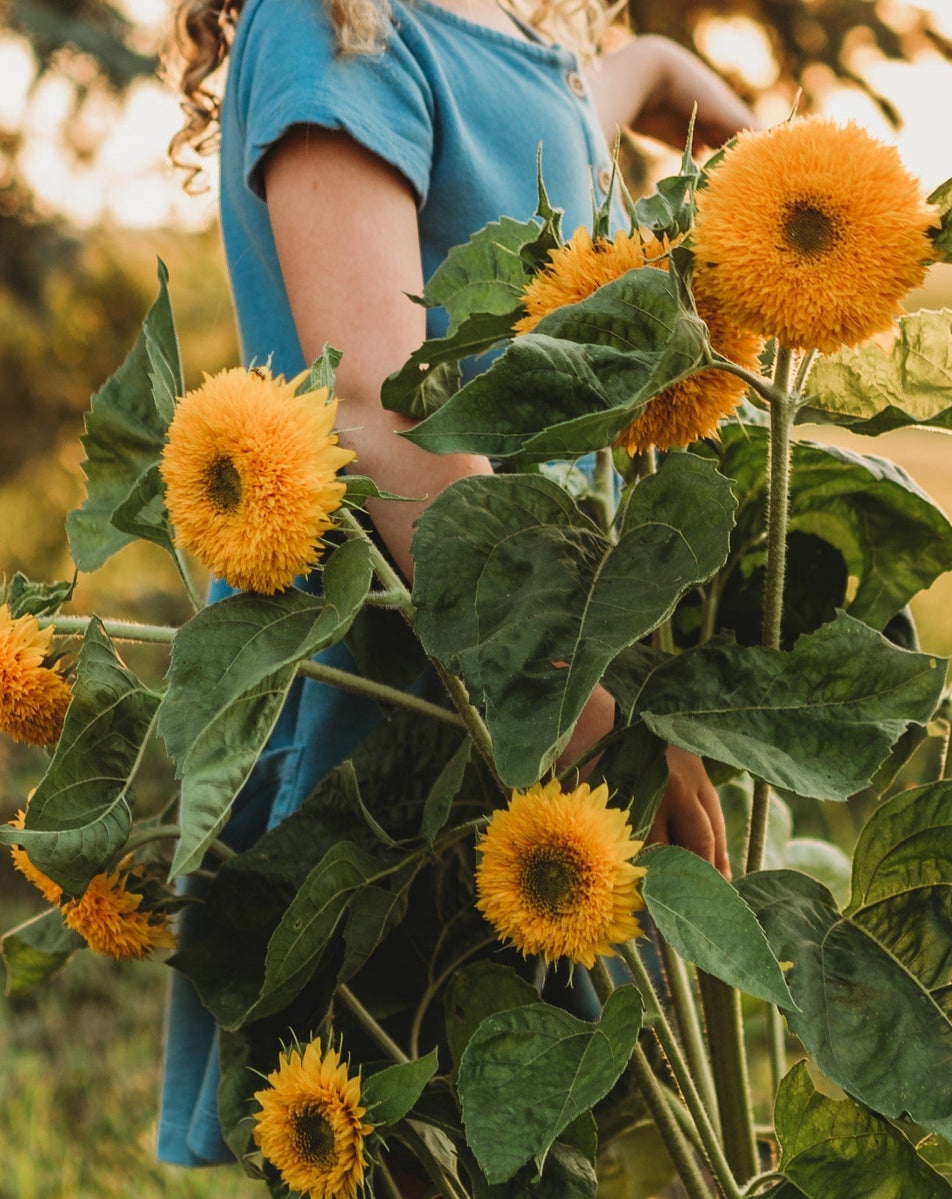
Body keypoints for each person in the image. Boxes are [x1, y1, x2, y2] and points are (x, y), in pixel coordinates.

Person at [158, 0, 756, 1172]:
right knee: (427, 1127)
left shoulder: (498, 29)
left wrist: (743, 135)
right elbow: (382, 410)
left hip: (528, 681)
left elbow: (598, 89)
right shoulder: (336, 24)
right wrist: (585, 709)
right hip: (416, 716)